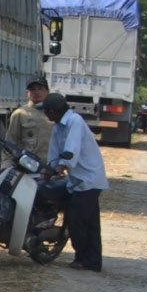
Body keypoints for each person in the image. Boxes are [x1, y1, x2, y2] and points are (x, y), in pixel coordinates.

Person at [41, 92, 107, 272]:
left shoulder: (74, 121)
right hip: (78, 180)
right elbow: (54, 152)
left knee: (77, 220)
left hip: (89, 179)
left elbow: (71, 150)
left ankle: (83, 258)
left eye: (47, 112)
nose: (46, 115)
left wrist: (62, 166)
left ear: (53, 111)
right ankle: (92, 261)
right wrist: (49, 170)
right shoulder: (58, 126)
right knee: (90, 223)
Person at [5, 78, 55, 161]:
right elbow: (10, 142)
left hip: (52, 166)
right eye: (33, 89)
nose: (36, 92)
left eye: (40, 89)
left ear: (47, 91)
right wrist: (6, 166)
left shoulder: (55, 113)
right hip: (28, 166)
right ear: (27, 92)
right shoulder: (20, 114)